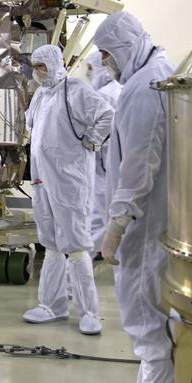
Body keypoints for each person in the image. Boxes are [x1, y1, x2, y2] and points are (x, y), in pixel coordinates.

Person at [92, 11, 176, 383]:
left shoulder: (145, 88)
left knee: (148, 325)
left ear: (124, 47)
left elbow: (139, 166)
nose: (106, 64)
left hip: (145, 225)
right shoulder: (159, 72)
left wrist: (117, 225)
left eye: (107, 55)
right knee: (161, 326)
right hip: (157, 219)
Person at [23, 44, 110, 335]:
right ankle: (52, 306)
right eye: (35, 67)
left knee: (76, 246)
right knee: (50, 244)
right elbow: (31, 126)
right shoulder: (40, 95)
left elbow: (107, 115)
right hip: (43, 181)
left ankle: (89, 312)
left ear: (55, 64)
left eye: (42, 66)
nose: (38, 72)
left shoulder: (75, 90)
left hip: (70, 182)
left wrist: (92, 140)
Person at [84, 50, 122, 255]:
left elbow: (97, 127)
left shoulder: (103, 94)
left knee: (101, 209)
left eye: (90, 68)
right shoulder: (119, 89)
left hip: (104, 162)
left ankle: (88, 253)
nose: (88, 73)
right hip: (113, 161)